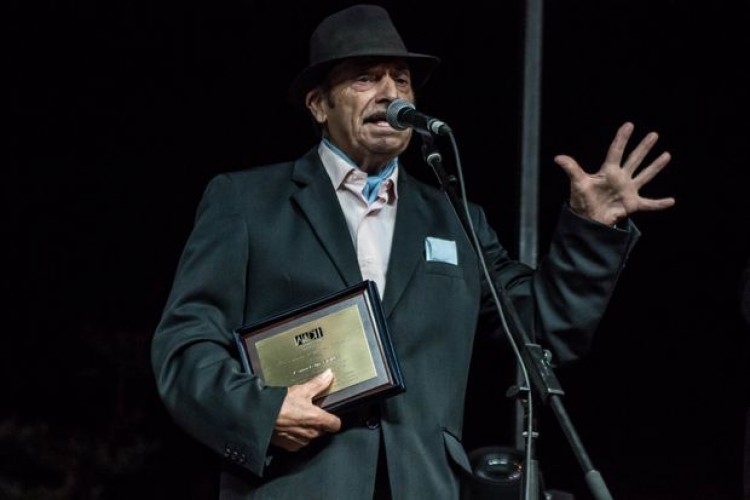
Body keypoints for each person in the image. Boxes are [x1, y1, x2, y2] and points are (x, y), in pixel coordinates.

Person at [151, 4, 675, 499]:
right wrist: (263, 413)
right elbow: (186, 342)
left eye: (401, 81)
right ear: (318, 104)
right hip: (299, 482)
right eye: (366, 77)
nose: (390, 92)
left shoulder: (454, 216)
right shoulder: (247, 202)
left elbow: (539, 326)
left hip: (423, 483)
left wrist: (590, 229)